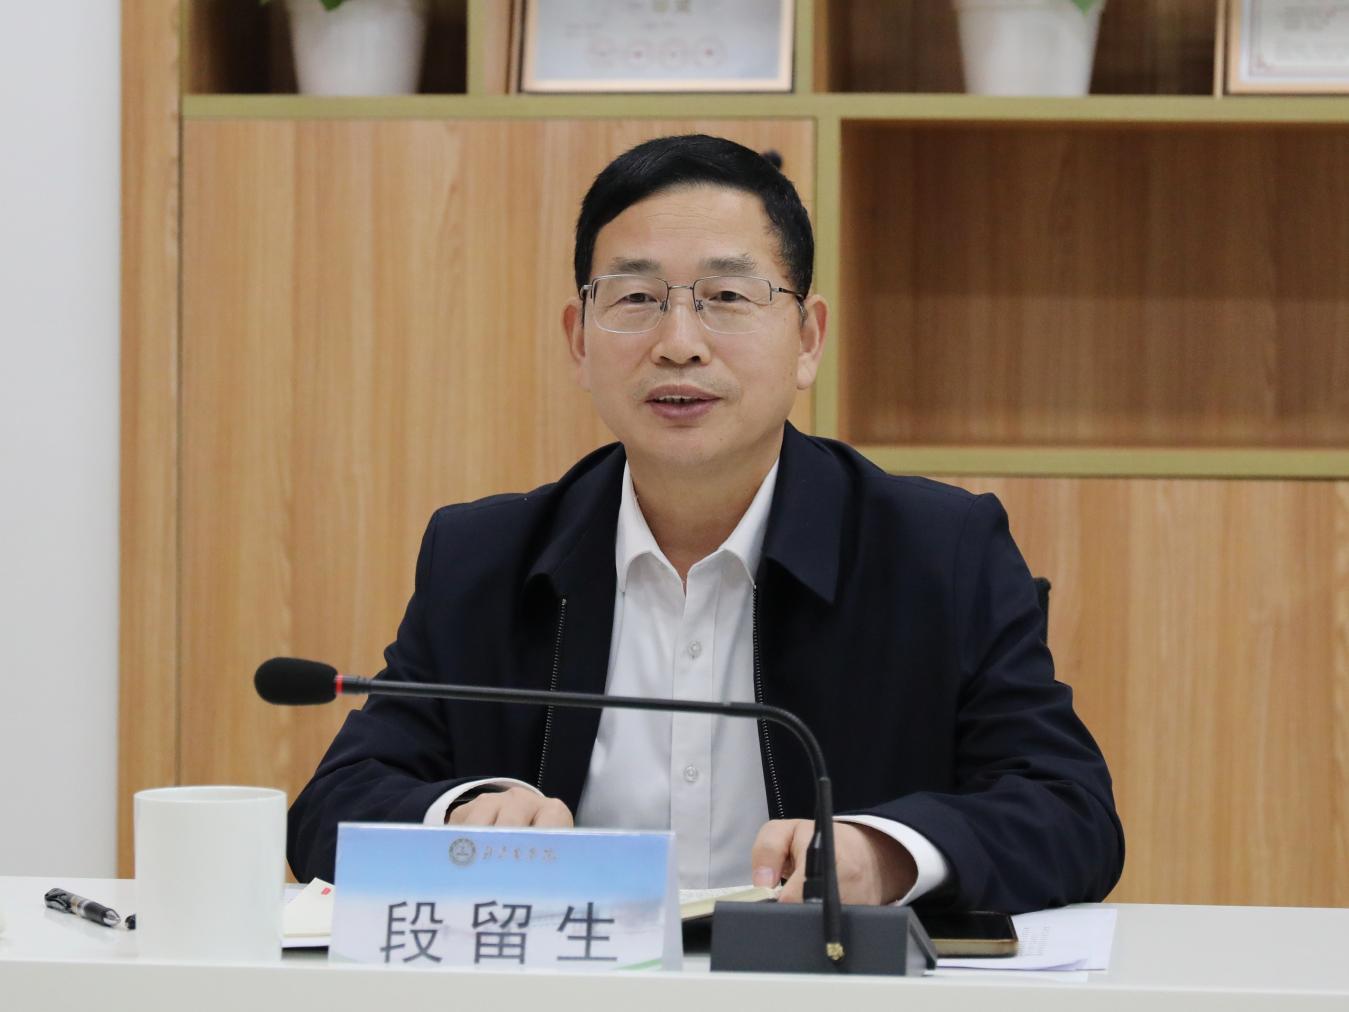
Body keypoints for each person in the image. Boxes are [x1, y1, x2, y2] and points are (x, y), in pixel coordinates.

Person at [288, 134, 1124, 913]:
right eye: (636, 298)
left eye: (726, 296)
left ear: (807, 338)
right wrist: (463, 814)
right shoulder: (485, 557)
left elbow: (1069, 813)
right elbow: (331, 807)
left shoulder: (938, 551)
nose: (679, 343)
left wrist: (884, 853)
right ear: (579, 341)